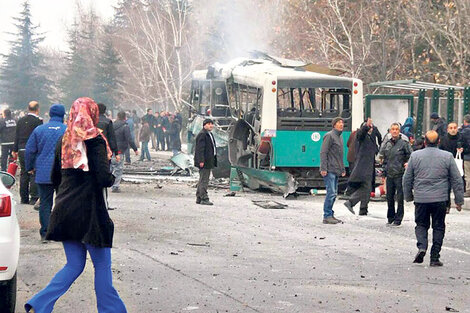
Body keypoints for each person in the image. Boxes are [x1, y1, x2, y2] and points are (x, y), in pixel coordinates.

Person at [24, 97, 127, 313]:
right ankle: (111, 310)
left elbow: (54, 177)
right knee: (101, 265)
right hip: (89, 212)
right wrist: (111, 176)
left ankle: (39, 304)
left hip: (64, 210)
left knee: (74, 265)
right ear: (92, 114)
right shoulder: (96, 139)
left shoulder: (65, 139)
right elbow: (102, 177)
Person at [403, 130, 464, 267]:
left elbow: (407, 178)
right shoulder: (447, 157)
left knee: (421, 224)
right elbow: (457, 180)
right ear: (439, 142)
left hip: (421, 198)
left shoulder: (415, 156)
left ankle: (422, 246)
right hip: (440, 199)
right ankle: (435, 256)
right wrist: (459, 200)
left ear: (424, 142)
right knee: (438, 226)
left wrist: (408, 196)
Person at [25, 104, 67, 243]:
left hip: (43, 172)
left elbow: (30, 150)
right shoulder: (67, 130)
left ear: (49, 114)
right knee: (62, 202)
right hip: (63, 173)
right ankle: (60, 231)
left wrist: (30, 167)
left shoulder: (39, 130)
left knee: (45, 203)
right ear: (63, 115)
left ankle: (45, 233)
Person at [379, 123, 412, 226]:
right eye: (393, 129)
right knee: (389, 197)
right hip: (389, 174)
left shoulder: (404, 143)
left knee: (400, 197)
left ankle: (398, 218)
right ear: (390, 131)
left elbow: (411, 155)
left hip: (400, 173)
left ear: (399, 131)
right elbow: (383, 158)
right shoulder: (387, 143)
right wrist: (384, 171)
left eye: (396, 129)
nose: (394, 131)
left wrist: (407, 164)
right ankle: (390, 217)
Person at [344, 118, 377, 216]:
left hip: (368, 166)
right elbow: (361, 133)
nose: (371, 129)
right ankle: (351, 202)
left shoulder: (370, 137)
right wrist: (366, 127)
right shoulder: (361, 136)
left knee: (366, 188)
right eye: (369, 127)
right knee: (366, 188)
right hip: (363, 167)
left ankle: (363, 209)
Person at [12, 101, 43, 204]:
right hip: (33, 149)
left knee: (24, 173)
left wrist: (14, 149)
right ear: (38, 109)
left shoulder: (20, 121)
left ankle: (23, 198)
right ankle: (34, 197)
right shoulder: (38, 121)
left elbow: (16, 135)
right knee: (33, 172)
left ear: (28, 108)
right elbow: (39, 137)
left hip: (21, 149)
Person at [320, 117, 346, 224]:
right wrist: (323, 168)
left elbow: (339, 156)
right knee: (330, 193)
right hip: (329, 169)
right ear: (334, 125)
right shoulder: (329, 136)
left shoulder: (340, 137)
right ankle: (327, 215)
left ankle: (330, 214)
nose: (341, 124)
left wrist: (342, 169)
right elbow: (323, 152)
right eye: (339, 123)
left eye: (342, 123)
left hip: (336, 169)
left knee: (334, 194)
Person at [111, 111, 138, 193]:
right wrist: (135, 149)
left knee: (111, 166)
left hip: (110, 148)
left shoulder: (111, 125)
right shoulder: (125, 126)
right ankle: (115, 186)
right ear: (125, 117)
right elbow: (129, 139)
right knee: (118, 168)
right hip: (120, 149)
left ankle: (107, 183)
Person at [194, 119, 217, 205]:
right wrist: (201, 160)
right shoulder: (202, 135)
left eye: (212, 124)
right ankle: (204, 198)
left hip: (208, 160)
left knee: (202, 179)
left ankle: (199, 197)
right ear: (204, 125)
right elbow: (200, 149)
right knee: (204, 180)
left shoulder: (209, 134)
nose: (211, 125)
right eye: (209, 124)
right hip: (204, 161)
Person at [460, 114, 470, 197]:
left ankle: (468, 190)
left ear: (465, 121)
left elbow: (460, 143)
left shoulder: (463, 131)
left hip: (467, 155)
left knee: (468, 174)